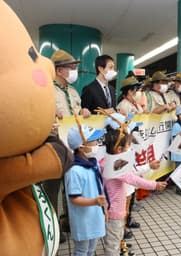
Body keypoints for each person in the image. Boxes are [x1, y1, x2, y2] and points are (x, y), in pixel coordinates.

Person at [102, 113, 166, 256]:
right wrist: (154, 185)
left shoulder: (110, 158)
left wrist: (148, 166)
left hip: (116, 206)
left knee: (116, 236)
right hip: (114, 210)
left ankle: (121, 248)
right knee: (112, 243)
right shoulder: (114, 165)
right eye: (127, 145)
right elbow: (132, 178)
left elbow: (132, 172)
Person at [46, 49, 91, 243]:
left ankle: (68, 221)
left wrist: (84, 112)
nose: (74, 71)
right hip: (53, 145)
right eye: (71, 67)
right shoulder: (47, 90)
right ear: (58, 70)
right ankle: (53, 227)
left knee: (71, 185)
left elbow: (77, 114)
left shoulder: (73, 91)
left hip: (73, 146)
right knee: (52, 188)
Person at [65, 124, 108, 255]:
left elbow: (100, 188)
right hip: (83, 220)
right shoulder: (74, 170)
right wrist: (94, 202)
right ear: (81, 147)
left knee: (91, 250)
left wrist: (105, 209)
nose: (97, 144)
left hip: (95, 215)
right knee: (81, 250)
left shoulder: (93, 163)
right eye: (94, 141)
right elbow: (74, 199)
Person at [51, 49, 91, 119]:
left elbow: (77, 110)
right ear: (59, 71)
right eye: (72, 68)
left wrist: (81, 112)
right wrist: (49, 114)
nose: (76, 71)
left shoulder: (73, 90)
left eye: (76, 67)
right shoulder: (47, 91)